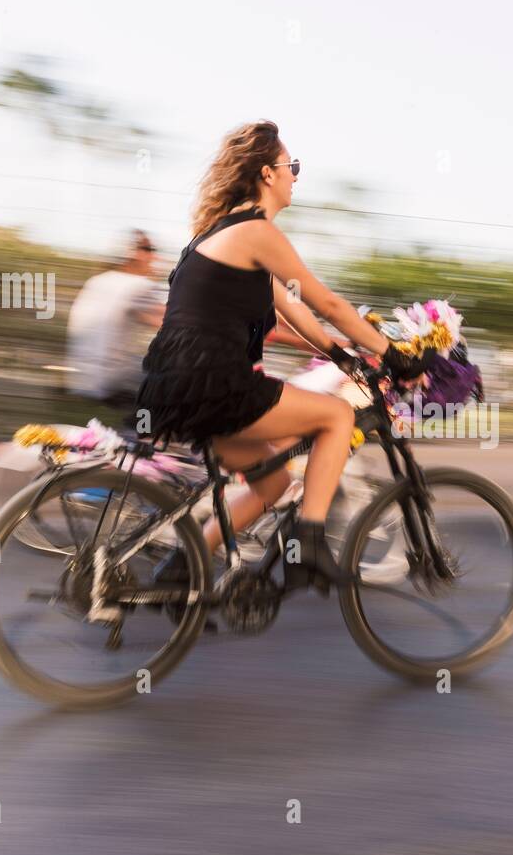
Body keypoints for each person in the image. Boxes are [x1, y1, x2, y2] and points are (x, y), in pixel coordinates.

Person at [135, 120, 431, 595]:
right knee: (336, 417)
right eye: (291, 166)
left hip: (177, 386)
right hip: (218, 383)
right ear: (267, 174)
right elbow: (328, 303)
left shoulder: (218, 233)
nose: (295, 175)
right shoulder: (255, 231)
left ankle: (183, 567)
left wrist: (340, 354)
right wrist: (395, 356)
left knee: (270, 486)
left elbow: (294, 313)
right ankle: (308, 547)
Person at [65, 230, 165, 410]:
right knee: (180, 383)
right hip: (115, 381)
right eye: (149, 249)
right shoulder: (140, 286)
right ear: (132, 254)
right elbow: (174, 323)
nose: (155, 256)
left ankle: (141, 431)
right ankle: (145, 433)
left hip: (82, 379)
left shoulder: (96, 281)